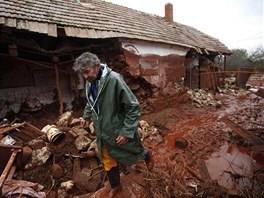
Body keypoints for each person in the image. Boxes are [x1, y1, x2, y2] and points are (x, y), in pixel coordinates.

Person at [73, 52, 154, 197]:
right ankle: (116, 185)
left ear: (97, 66)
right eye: (82, 73)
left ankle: (146, 154)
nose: (85, 76)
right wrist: (86, 116)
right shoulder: (90, 82)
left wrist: (126, 131)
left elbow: (133, 107)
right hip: (102, 130)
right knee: (106, 159)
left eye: (87, 72)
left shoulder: (114, 80)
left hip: (117, 128)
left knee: (129, 151)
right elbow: (91, 101)